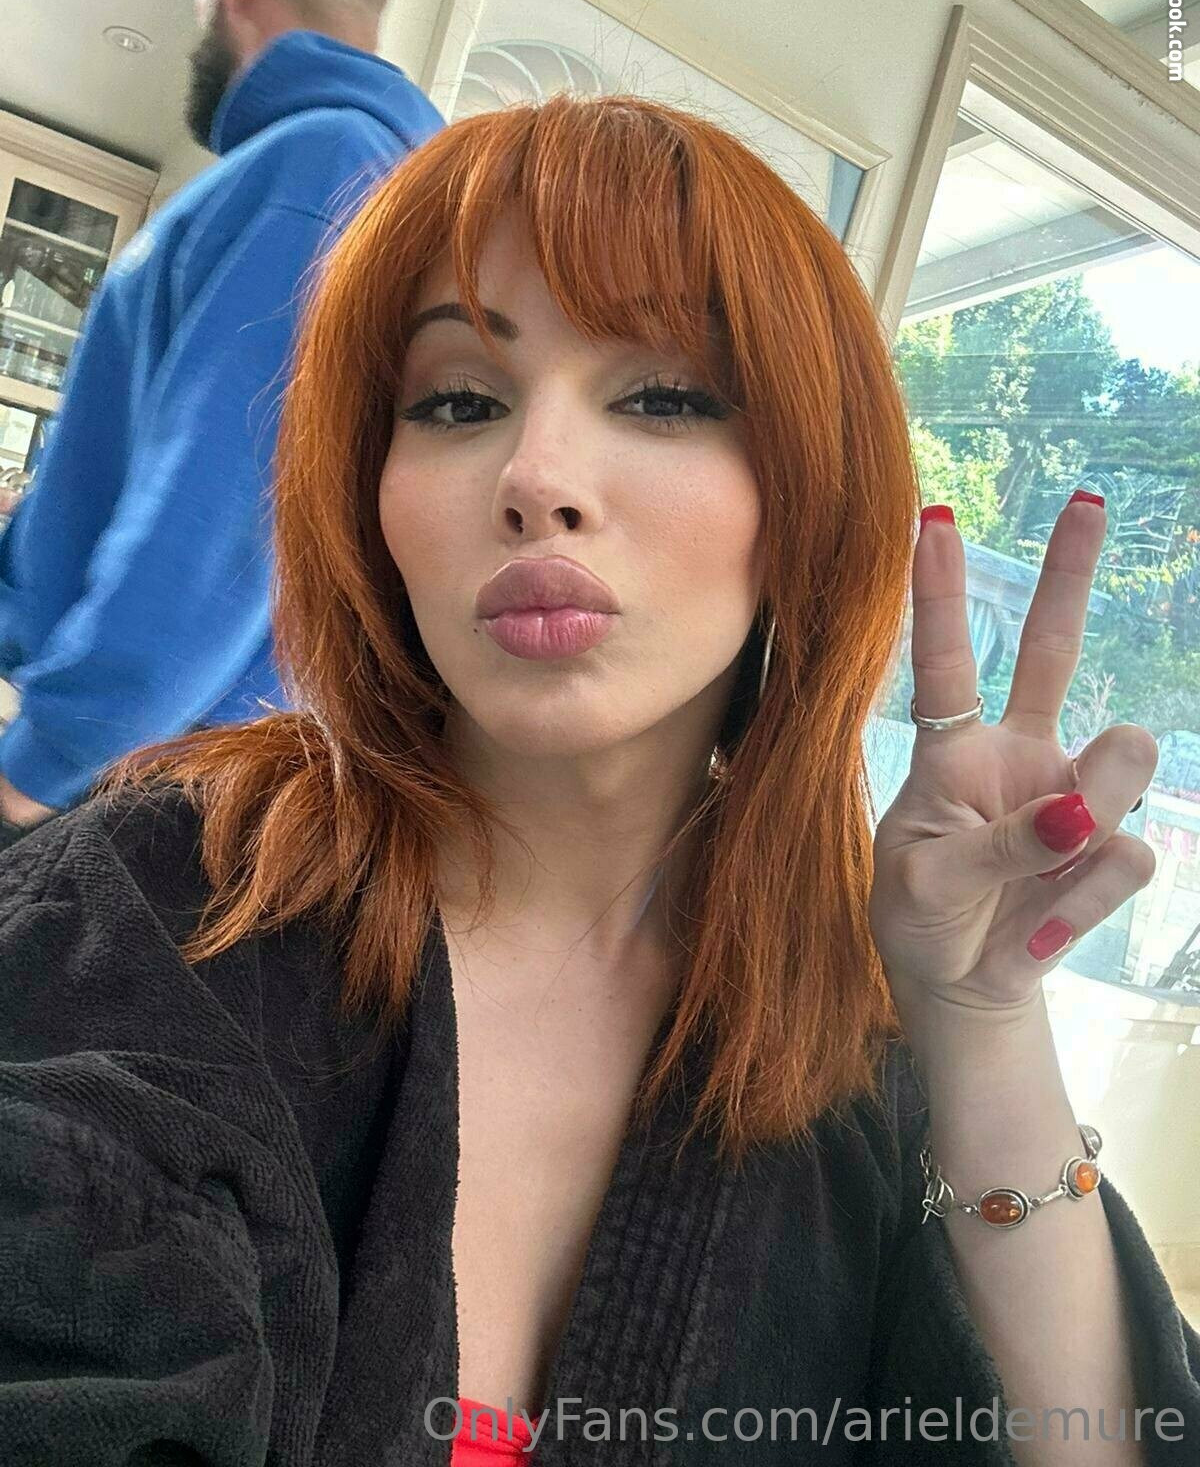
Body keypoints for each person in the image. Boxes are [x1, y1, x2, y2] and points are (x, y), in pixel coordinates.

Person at [0, 91, 1196, 1467]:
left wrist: (980, 1024)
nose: (536, 477)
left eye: (663, 395)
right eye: (457, 401)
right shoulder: (152, 913)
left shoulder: (849, 1062)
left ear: (804, 497)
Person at [0, 0, 444, 846]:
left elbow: (222, 517)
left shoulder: (323, 169)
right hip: (136, 767)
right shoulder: (319, 168)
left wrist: (34, 768)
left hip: (136, 785)